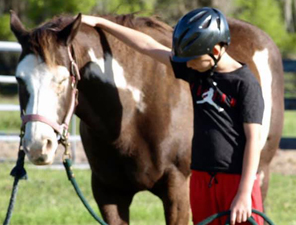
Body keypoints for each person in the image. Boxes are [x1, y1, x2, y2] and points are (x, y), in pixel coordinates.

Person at [81, 7, 264, 225]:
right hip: (201, 179)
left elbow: (254, 139)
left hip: (236, 181)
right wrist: (103, 24)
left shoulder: (246, 84)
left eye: (191, 60)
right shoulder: (197, 70)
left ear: (215, 51)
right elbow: (148, 46)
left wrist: (244, 193)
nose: (186, 65)